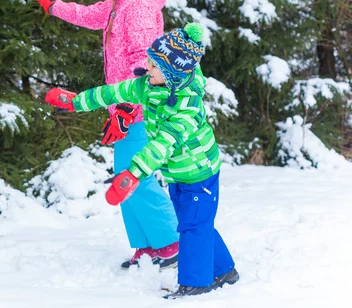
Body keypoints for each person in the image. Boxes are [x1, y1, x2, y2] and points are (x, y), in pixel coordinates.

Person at [44, 23, 239, 299]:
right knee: (194, 221)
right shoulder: (148, 86)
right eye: (150, 59)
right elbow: (113, 93)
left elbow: (162, 145)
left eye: (156, 65)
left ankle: (196, 283)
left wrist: (134, 174)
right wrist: (76, 101)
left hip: (200, 172)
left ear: (172, 74)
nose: (147, 66)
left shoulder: (185, 107)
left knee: (193, 225)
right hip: (179, 173)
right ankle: (225, 270)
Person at [29, 0, 180, 270]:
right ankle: (146, 245)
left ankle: (170, 242)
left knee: (134, 176)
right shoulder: (122, 1)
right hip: (125, 108)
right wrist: (51, 4)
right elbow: (88, 15)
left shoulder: (138, 6)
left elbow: (144, 63)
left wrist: (127, 110)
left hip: (139, 110)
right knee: (124, 175)